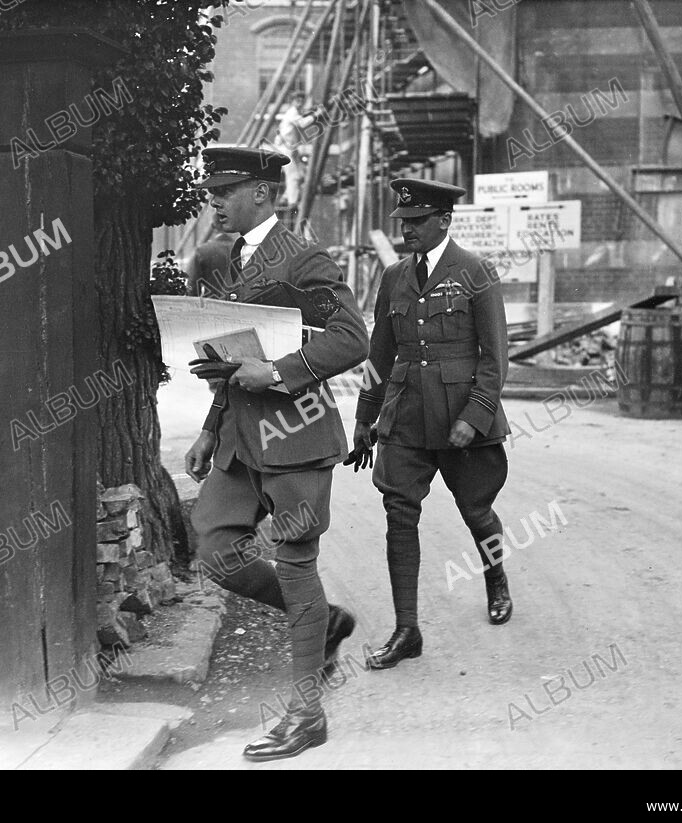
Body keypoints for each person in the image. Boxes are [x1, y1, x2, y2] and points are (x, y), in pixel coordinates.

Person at [185, 147, 369, 760]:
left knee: (295, 563)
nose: (214, 198)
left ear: (263, 193)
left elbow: (351, 339)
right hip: (239, 442)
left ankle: (306, 715)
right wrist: (212, 426)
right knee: (214, 549)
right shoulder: (217, 259)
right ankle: (325, 624)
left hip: (296, 438)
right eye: (212, 189)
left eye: (227, 188)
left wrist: (281, 372)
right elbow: (225, 355)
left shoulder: (305, 258)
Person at [351, 178, 513, 671]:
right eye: (403, 224)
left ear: (444, 220)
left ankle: (495, 577)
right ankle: (407, 629)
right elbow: (380, 352)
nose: (407, 233)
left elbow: (495, 355)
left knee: (476, 510)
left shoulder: (475, 272)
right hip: (406, 417)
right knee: (399, 514)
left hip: (462, 420)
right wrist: (365, 416)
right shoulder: (394, 276)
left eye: (417, 223)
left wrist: (476, 415)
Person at [273, 92, 316, 209]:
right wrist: (316, 115)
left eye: (301, 100)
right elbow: (302, 123)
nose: (300, 102)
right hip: (285, 148)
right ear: (292, 101)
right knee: (293, 175)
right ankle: (292, 201)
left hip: (291, 148)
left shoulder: (295, 112)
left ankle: (286, 197)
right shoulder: (292, 112)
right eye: (297, 100)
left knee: (301, 173)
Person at [187, 213, 236, 298]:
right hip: (240, 308)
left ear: (213, 226)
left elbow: (192, 287)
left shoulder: (202, 251)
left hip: (211, 306)